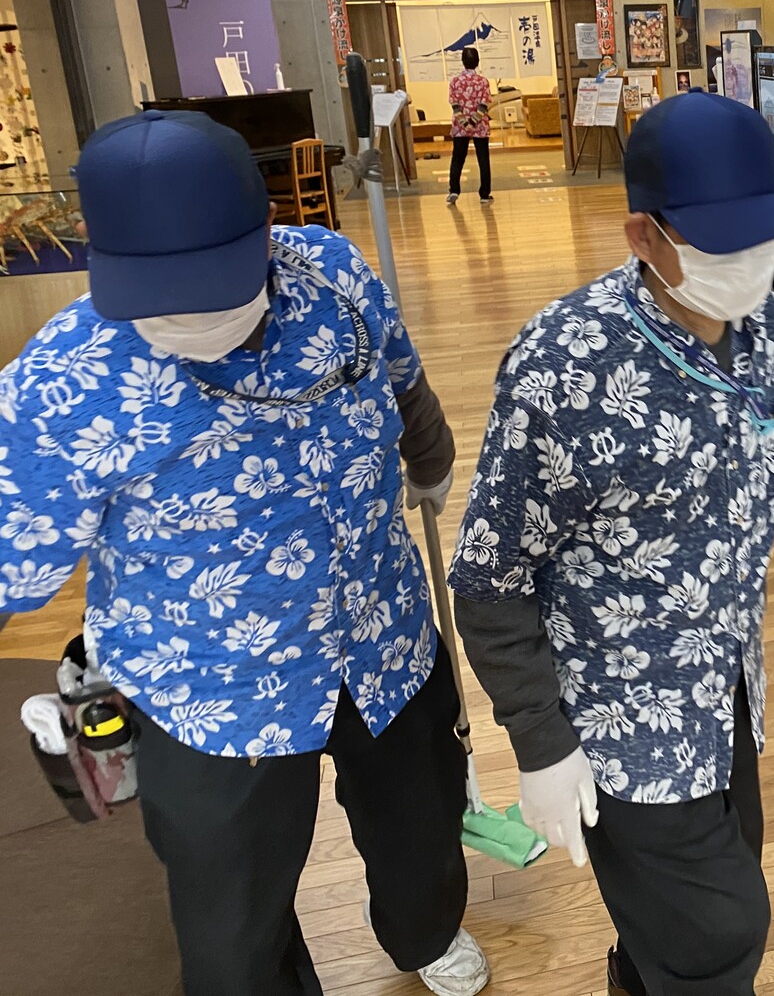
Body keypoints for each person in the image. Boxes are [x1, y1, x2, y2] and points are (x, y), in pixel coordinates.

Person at [0, 109, 489, 996]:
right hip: (210, 683)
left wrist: (431, 462)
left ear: (264, 229)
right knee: (231, 912)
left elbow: (402, 378)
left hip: (381, 633)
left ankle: (424, 932)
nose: (187, 314)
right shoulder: (63, 378)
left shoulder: (331, 272)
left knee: (421, 823)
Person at [448, 92, 774, 996]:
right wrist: (540, 741)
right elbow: (489, 579)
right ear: (644, 238)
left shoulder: (758, 321)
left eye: (763, 238)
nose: (749, 263)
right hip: (622, 716)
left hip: (725, 689)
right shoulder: (564, 365)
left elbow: (770, 430)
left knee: (699, 898)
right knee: (719, 933)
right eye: (720, 245)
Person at [448, 46, 492, 205]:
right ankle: (484, 194)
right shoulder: (483, 81)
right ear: (477, 62)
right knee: (483, 159)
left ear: (463, 61)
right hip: (480, 126)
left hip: (460, 127)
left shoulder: (455, 81)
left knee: (457, 158)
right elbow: (484, 104)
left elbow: (454, 104)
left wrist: (464, 123)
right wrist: (473, 122)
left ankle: (454, 190)